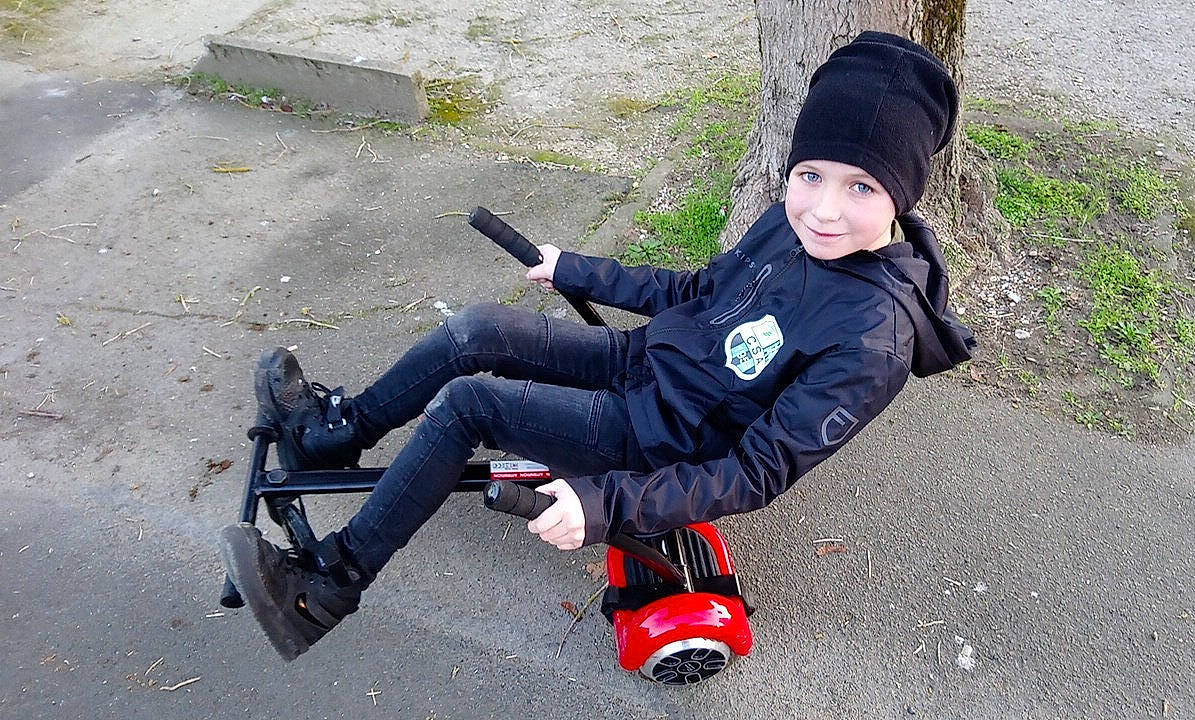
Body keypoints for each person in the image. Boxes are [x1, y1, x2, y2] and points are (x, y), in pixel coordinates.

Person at [218, 30, 976, 661]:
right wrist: (575, 269)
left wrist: (605, 499)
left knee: (467, 406)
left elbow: (755, 472)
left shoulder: (872, 338)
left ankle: (326, 587)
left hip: (660, 441)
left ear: (900, 194)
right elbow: (696, 293)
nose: (825, 208)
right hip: (643, 363)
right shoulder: (789, 223)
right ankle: (331, 436)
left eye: (862, 187)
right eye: (811, 174)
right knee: (479, 327)